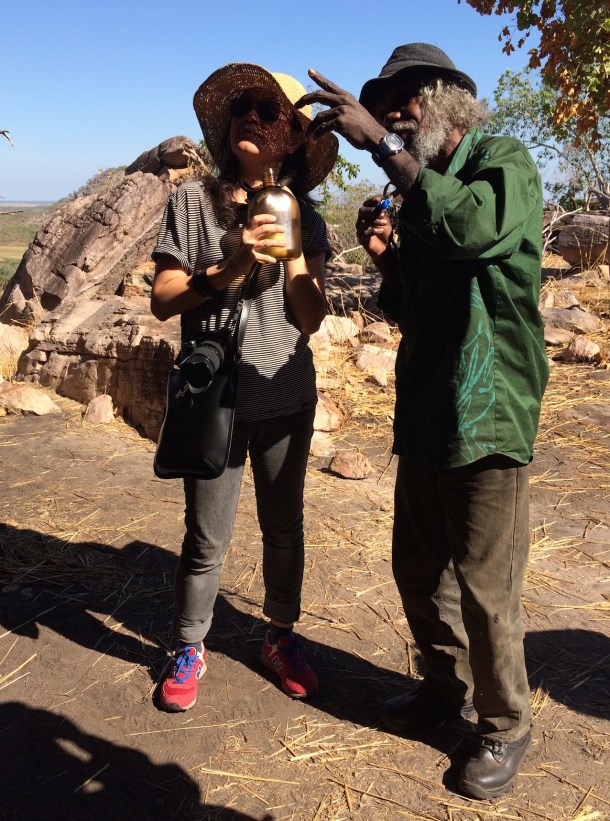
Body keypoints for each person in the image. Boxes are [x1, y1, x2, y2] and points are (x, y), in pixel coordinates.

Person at [297, 43, 549, 799]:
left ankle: (505, 724)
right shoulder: (426, 191)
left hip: (490, 409)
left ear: (445, 101)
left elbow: (474, 230)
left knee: (485, 581)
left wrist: (376, 145)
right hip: (431, 410)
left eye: (404, 99)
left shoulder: (503, 165)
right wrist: (387, 260)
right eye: (387, 106)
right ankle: (444, 690)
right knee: (418, 567)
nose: (395, 115)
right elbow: (415, 309)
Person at [151, 63, 338, 712]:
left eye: (269, 109)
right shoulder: (190, 202)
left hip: (287, 397)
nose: (251, 117)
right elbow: (163, 300)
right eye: (242, 108)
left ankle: (279, 637)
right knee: (207, 538)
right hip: (215, 401)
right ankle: (188, 643)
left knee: (284, 527)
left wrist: (288, 258)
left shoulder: (306, 219)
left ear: (291, 136)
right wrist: (231, 266)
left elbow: (311, 317)